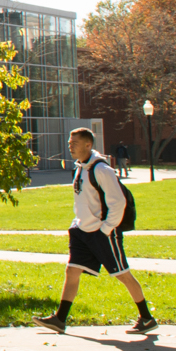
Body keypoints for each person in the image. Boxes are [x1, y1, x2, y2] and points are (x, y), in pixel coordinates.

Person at [33, 125, 156, 334]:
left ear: (88, 145)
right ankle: (59, 319)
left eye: (75, 143)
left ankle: (146, 317)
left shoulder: (101, 170)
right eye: (69, 143)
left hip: (102, 233)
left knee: (122, 273)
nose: (70, 146)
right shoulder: (80, 167)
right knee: (72, 270)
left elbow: (118, 203)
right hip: (82, 231)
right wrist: (77, 223)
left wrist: (106, 229)